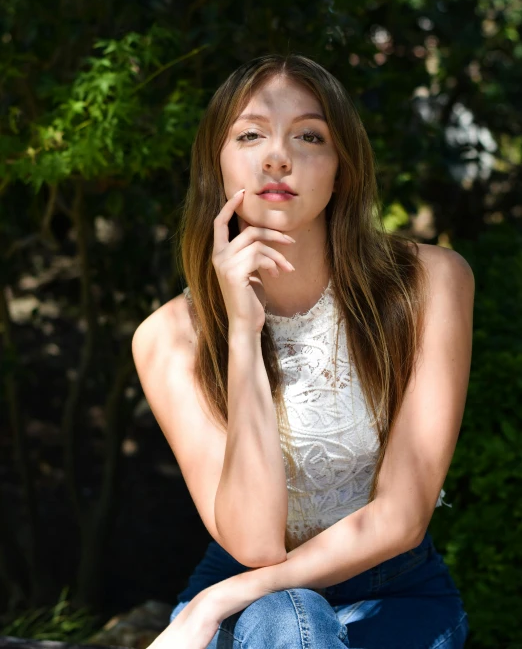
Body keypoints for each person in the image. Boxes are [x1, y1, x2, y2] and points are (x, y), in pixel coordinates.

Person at [132, 54, 474, 648]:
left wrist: (218, 600)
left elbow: (403, 516)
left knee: (285, 613)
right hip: (257, 600)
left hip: (397, 591)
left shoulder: (429, 284)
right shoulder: (168, 337)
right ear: (217, 163)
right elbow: (257, 546)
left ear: (342, 168)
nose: (277, 157)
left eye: (309, 135)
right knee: (285, 618)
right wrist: (242, 330)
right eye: (250, 134)